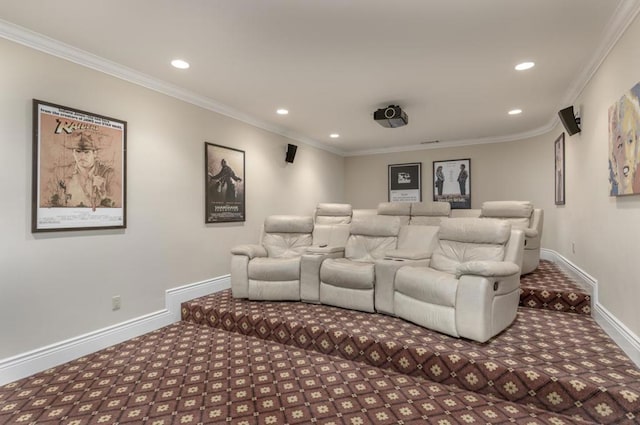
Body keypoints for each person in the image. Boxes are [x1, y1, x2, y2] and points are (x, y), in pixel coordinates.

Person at [47, 133, 118, 210]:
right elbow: (49, 201)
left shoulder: (108, 174)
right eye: (78, 151)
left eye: (86, 152)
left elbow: (117, 206)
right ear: (73, 153)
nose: (82, 156)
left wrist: (103, 194)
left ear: (95, 153)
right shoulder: (60, 173)